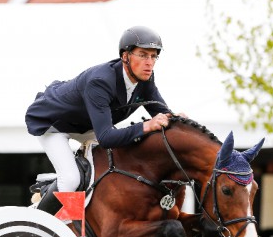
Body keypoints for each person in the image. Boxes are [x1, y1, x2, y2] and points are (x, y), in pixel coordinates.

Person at [25, 26, 173, 214]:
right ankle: (43, 223)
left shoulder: (145, 80)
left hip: (86, 125)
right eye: (143, 55)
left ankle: (83, 213)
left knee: (111, 167)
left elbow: (161, 113)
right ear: (125, 56)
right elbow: (106, 137)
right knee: (71, 179)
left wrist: (176, 121)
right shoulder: (101, 81)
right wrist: (145, 126)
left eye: (153, 56)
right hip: (53, 123)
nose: (149, 63)